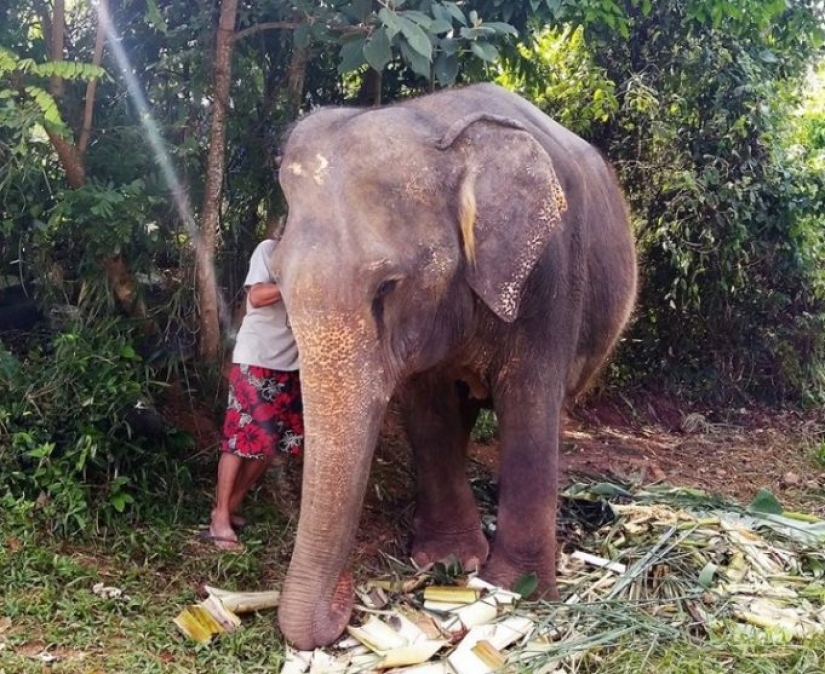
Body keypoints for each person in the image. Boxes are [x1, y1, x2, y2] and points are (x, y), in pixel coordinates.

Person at [204, 236, 302, 550]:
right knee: (239, 439)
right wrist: (301, 282)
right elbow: (257, 296)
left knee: (270, 443)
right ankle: (219, 516)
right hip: (257, 359)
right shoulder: (269, 250)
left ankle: (230, 507)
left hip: (290, 365)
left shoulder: (316, 255)